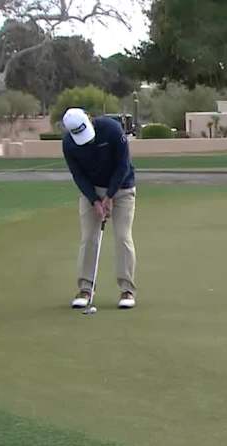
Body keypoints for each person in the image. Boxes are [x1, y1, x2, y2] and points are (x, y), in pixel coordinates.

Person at [62, 108, 137, 308]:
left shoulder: (112, 129)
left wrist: (110, 195)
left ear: (89, 119)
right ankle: (86, 289)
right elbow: (78, 175)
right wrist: (95, 200)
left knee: (122, 237)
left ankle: (127, 290)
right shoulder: (69, 143)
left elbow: (123, 165)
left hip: (122, 188)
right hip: (92, 191)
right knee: (88, 238)